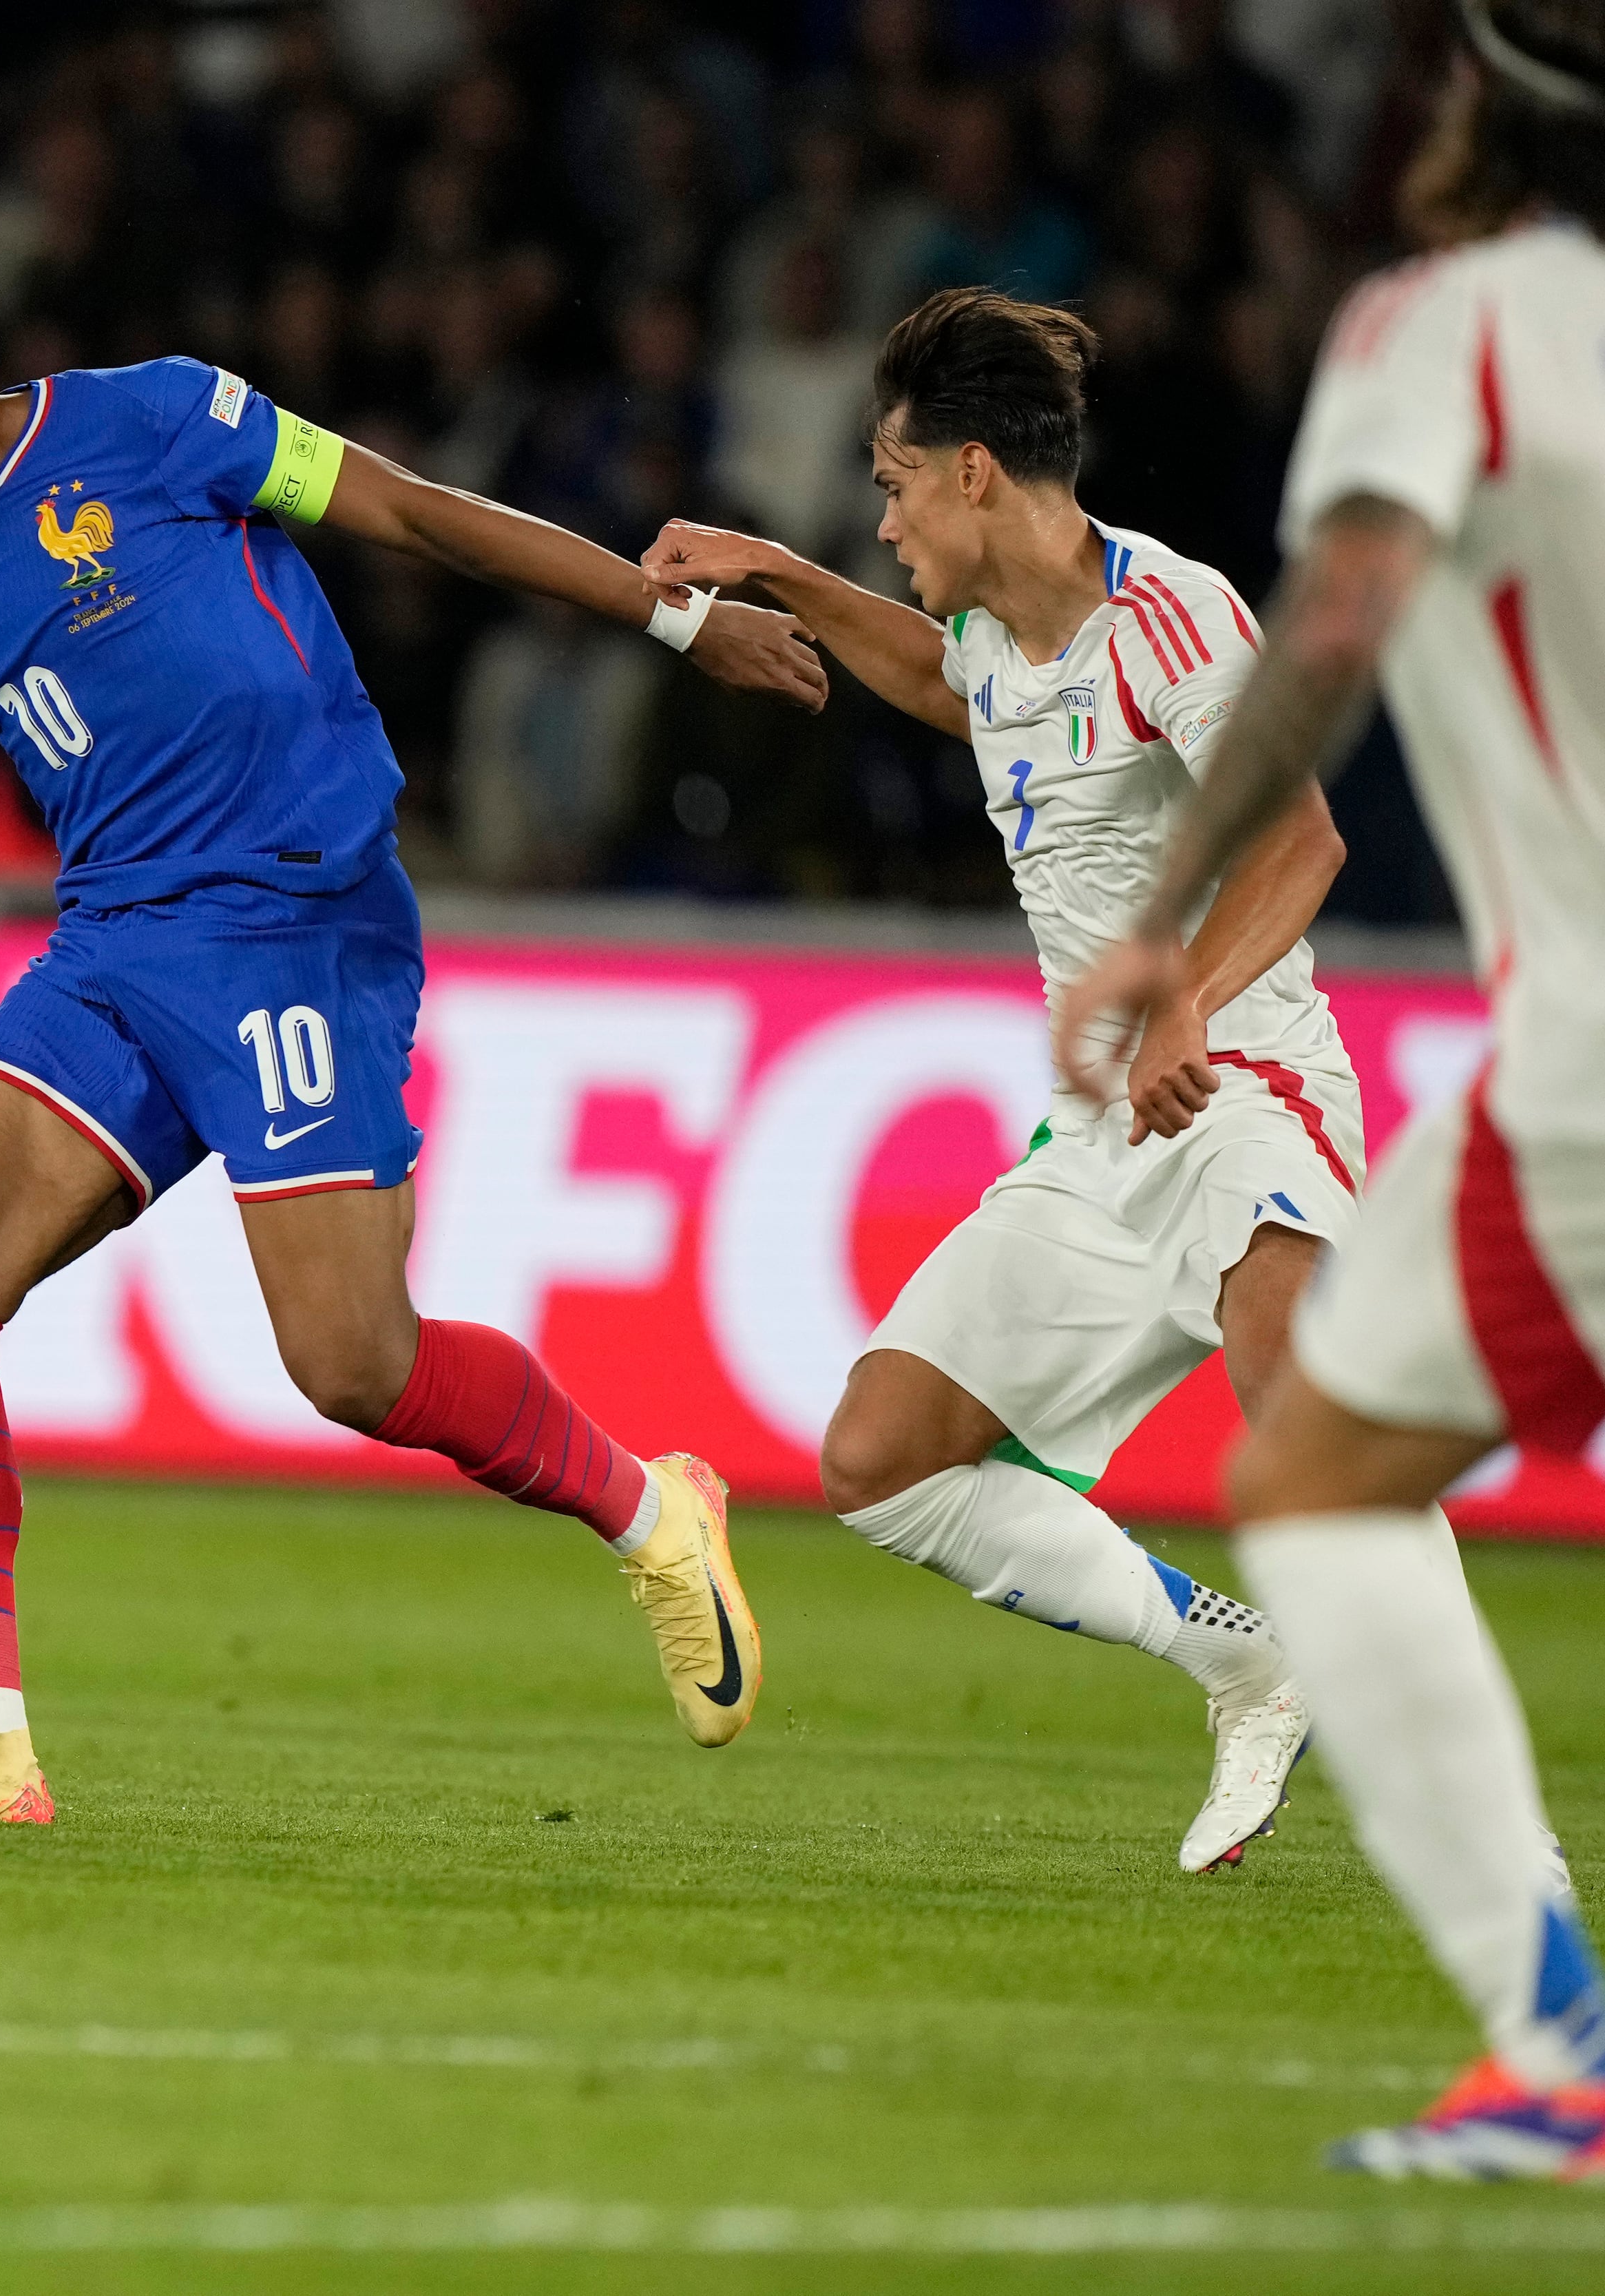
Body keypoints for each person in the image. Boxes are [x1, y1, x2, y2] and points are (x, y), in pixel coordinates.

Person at [0, 272, 830, 1822]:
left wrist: (675, 619)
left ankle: (650, 1507)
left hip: (295, 923)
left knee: (352, 1364)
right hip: (115, 947)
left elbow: (408, 513)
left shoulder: (155, 417)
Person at [1058, 0, 1605, 2178]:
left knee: (1320, 1482)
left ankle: (1554, 2046)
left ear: (1474, 135)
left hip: (1586, 1049)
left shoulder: (1438, 322)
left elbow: (1352, 598)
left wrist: (1165, 909)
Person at [640, 287, 1353, 1874]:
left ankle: (1505, 1863)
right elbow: (941, 681)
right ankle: (1240, 1657)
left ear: (971, 472)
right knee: (878, 1457)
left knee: (1312, 1454)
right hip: (1103, 1134)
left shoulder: (1171, 612)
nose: (878, 516)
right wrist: (773, 574)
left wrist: (1181, 1004)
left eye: (889, 484)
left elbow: (1301, 838)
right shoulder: (1001, 642)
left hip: (1238, 1083)